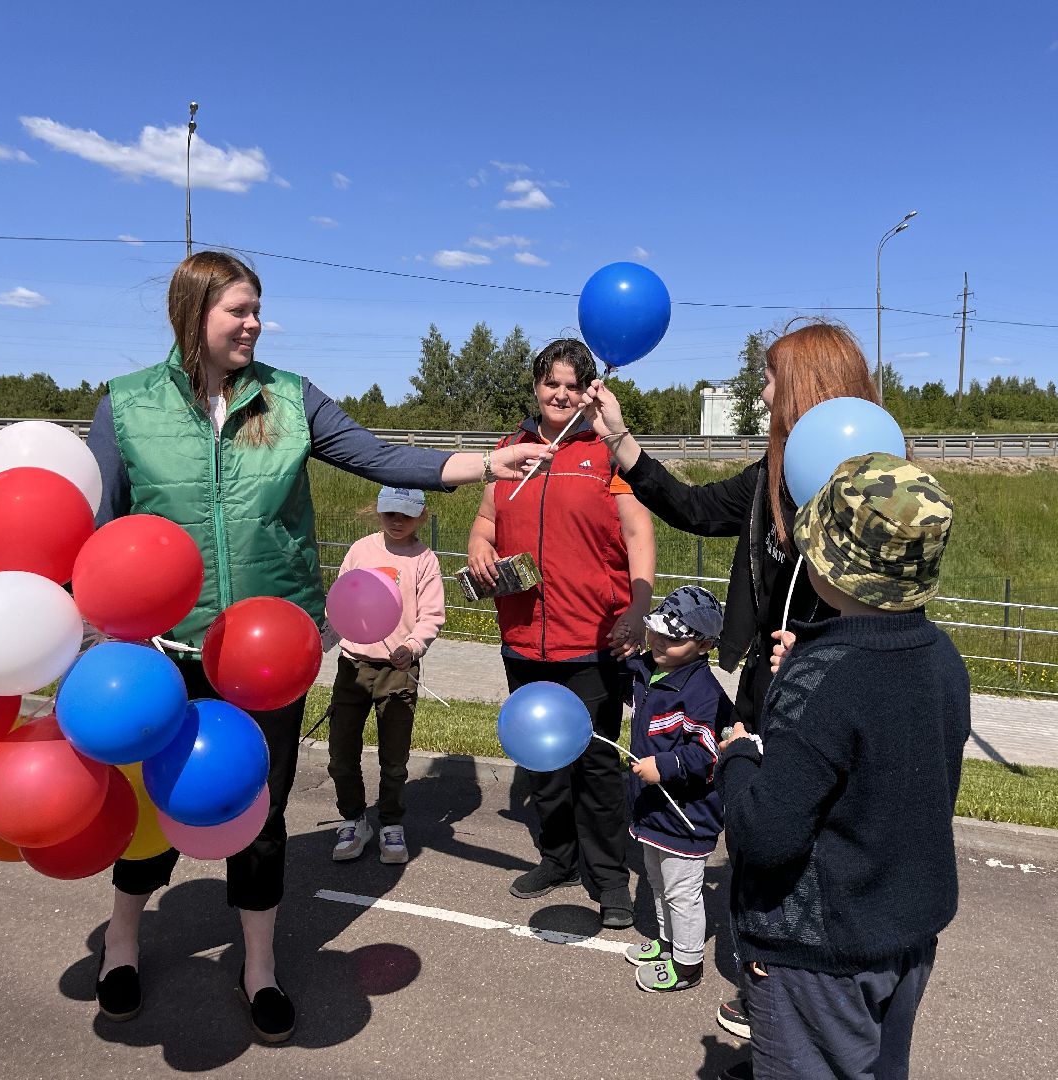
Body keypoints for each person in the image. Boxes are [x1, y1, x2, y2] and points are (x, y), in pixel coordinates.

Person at [85, 250, 548, 1043]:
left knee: (258, 813)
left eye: (257, 308)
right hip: (165, 650)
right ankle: (124, 942)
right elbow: (98, 533)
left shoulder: (291, 400)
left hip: (269, 655)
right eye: (238, 309)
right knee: (149, 808)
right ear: (193, 312)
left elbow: (377, 455)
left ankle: (258, 966)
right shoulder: (126, 408)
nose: (254, 322)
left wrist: (483, 463)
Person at [580, 319, 880, 1045]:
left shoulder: (863, 484)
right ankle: (765, 977)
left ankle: (792, 994)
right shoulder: (768, 476)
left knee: (803, 837)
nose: (763, 390)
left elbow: (880, 599)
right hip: (759, 689)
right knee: (756, 829)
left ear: (807, 389)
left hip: (820, 687)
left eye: (772, 379)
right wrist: (621, 438)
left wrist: (815, 649)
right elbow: (689, 505)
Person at [716, 452, 968, 1079]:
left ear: (828, 563)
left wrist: (741, 756)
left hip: (820, 948)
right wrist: (810, 666)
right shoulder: (942, 660)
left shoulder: (822, 679)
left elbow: (766, 833)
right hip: (906, 929)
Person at [467, 338, 656, 929]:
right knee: (542, 761)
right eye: (551, 383)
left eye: (572, 385)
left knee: (597, 768)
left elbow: (639, 537)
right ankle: (557, 857)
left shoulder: (606, 456)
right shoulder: (508, 451)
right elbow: (486, 521)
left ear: (589, 392)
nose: (560, 394)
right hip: (523, 640)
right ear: (535, 387)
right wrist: (477, 548)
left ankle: (609, 882)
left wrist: (639, 608)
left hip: (592, 643)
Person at [326, 487, 444, 866]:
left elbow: (431, 615)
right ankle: (353, 820)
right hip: (352, 666)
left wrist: (412, 646)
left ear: (421, 516)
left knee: (394, 758)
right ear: (378, 511)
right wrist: (326, 637)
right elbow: (340, 598)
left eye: (406, 515)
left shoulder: (424, 559)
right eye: (390, 512)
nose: (397, 521)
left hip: (398, 670)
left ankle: (391, 823)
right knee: (341, 753)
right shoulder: (361, 550)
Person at [623, 586, 731, 995]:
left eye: (673, 638)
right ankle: (668, 943)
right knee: (655, 878)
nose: (660, 642)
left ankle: (687, 965)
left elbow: (709, 749)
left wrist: (664, 766)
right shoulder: (648, 670)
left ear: (704, 645)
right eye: (657, 632)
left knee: (683, 890)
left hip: (687, 815)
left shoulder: (705, 694)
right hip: (653, 808)